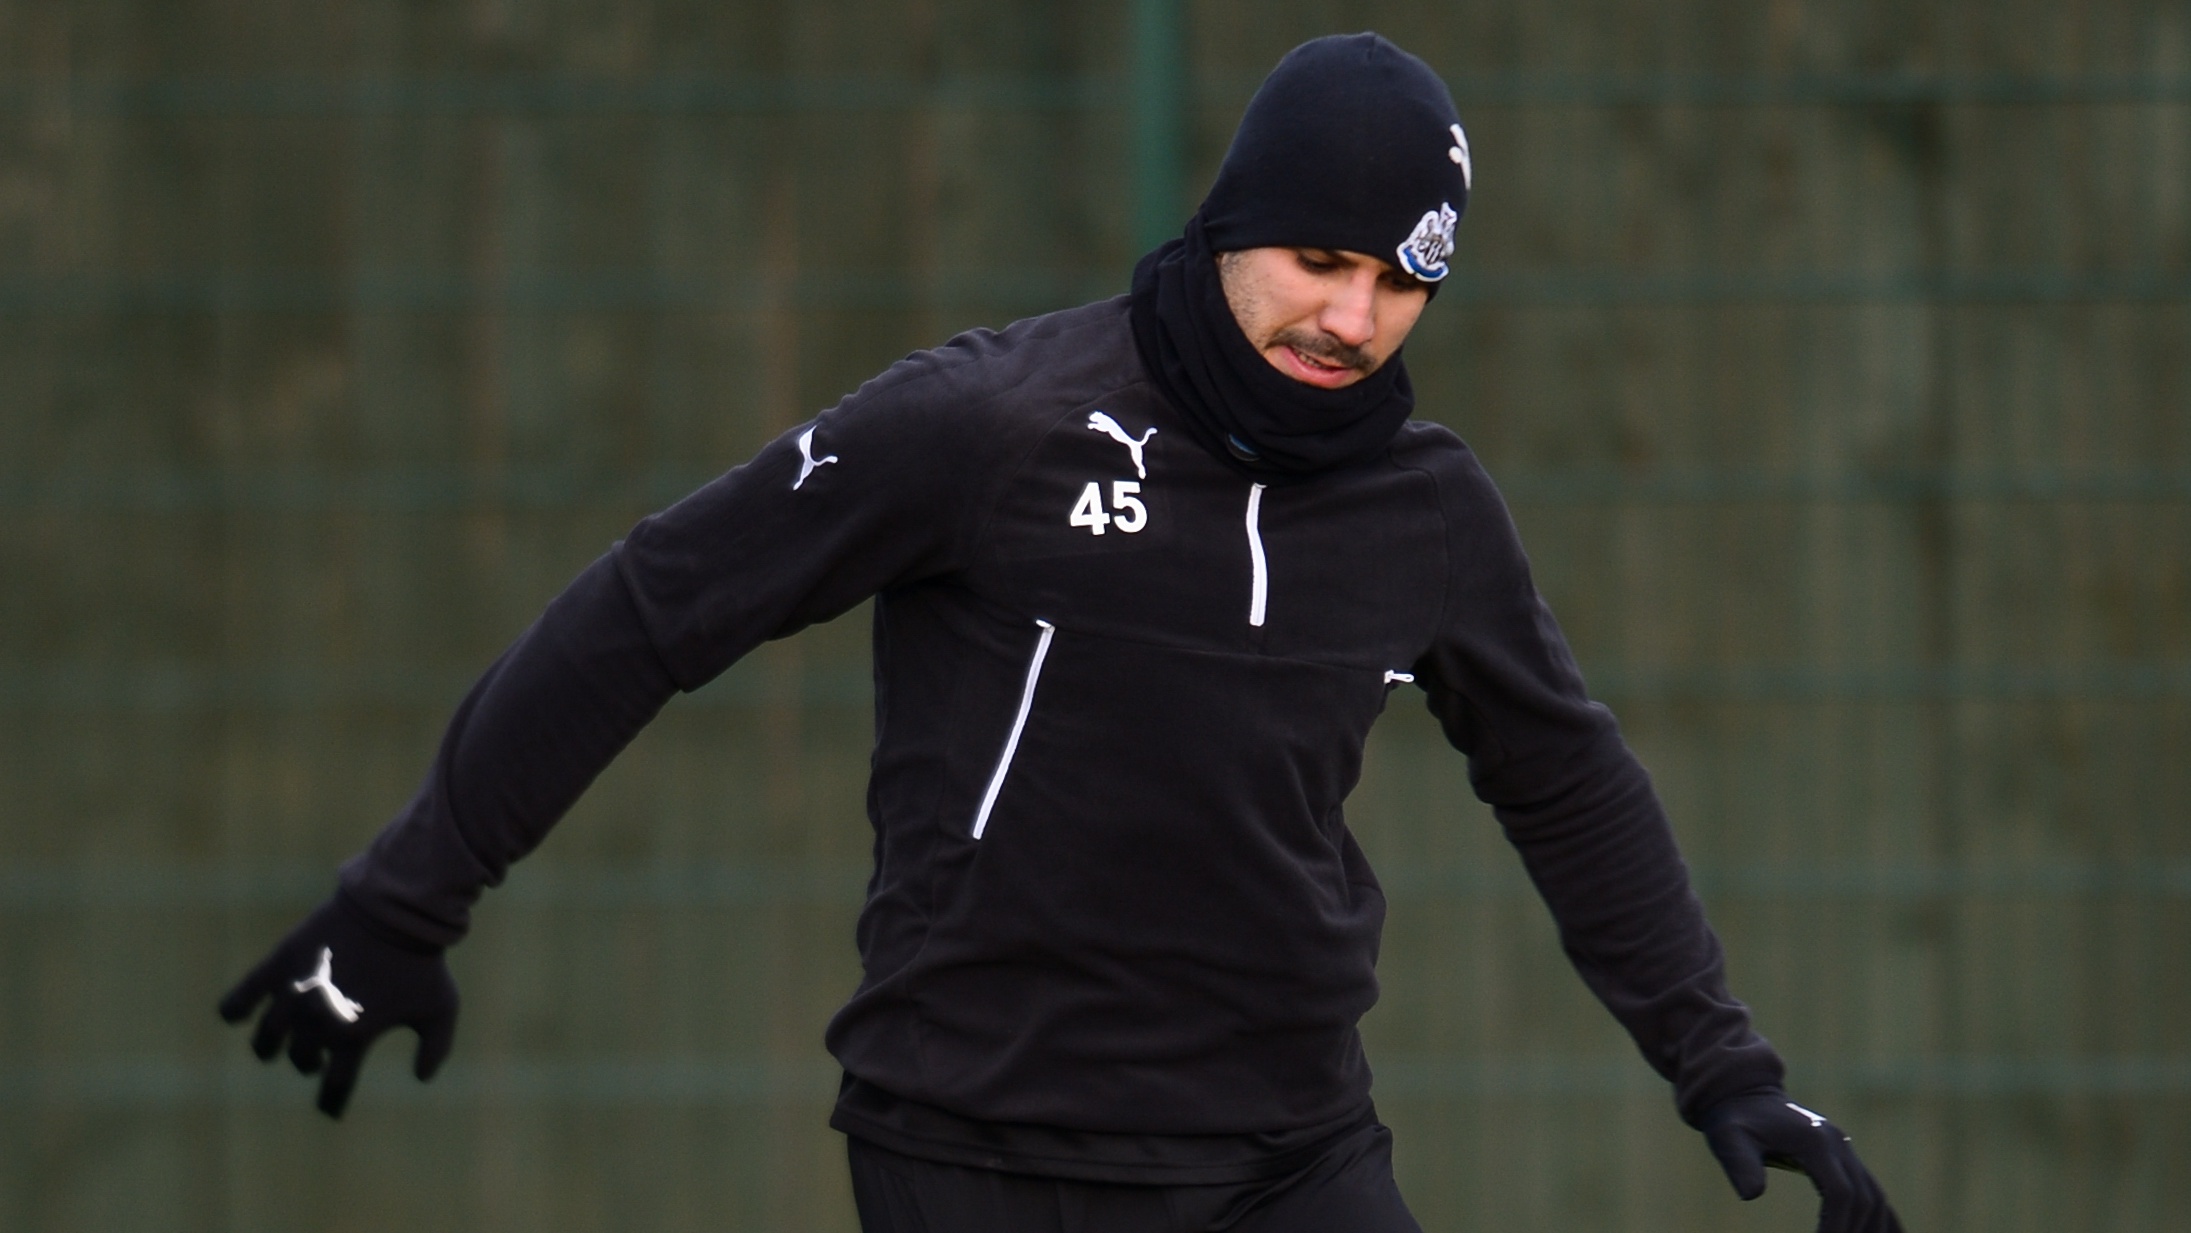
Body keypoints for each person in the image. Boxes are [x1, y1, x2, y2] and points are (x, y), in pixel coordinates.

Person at [219, 32, 1902, 1233]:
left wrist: (1724, 1067)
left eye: (1401, 285)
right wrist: (407, 897)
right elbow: (655, 606)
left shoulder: (1430, 512)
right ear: (1235, 222)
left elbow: (1567, 780)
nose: (1353, 317)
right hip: (983, 1150)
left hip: (1291, 1151)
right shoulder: (992, 429)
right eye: (1321, 259)